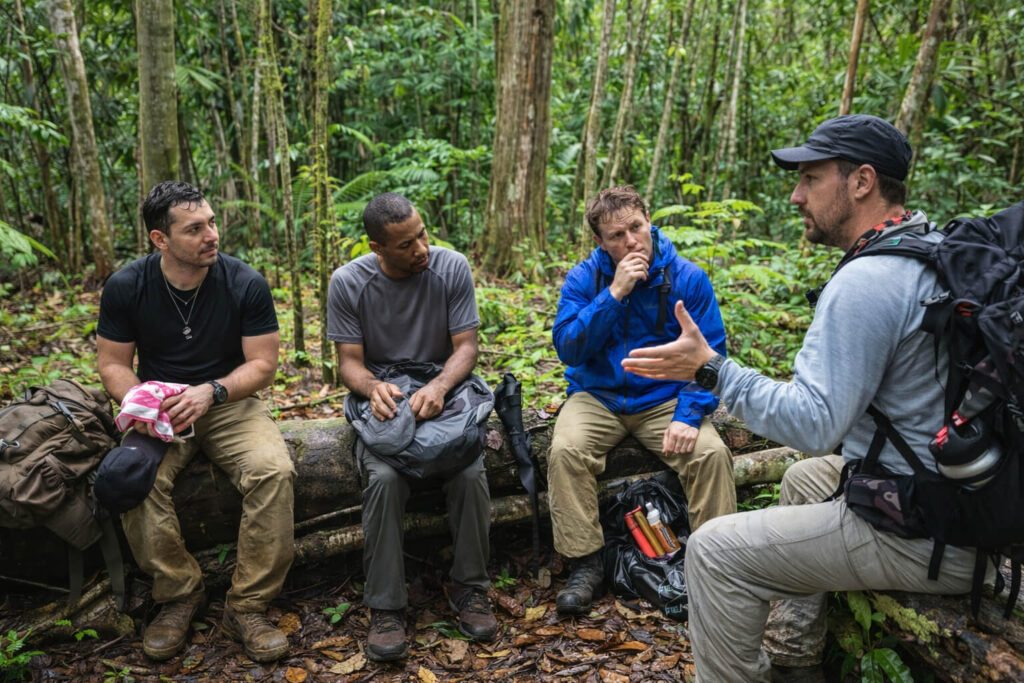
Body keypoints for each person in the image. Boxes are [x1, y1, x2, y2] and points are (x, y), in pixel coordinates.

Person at [622, 114, 992, 682]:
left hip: (929, 531)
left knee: (714, 552)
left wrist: (712, 371)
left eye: (811, 179)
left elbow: (816, 424)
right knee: (804, 479)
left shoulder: (868, 282)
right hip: (965, 494)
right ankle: (796, 662)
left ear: (862, 181)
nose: (796, 196)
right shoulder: (930, 248)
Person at [96, 181, 295, 663]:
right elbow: (112, 364)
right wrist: (141, 400)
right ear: (160, 240)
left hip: (229, 401)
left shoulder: (244, 282)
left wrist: (213, 391)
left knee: (274, 471)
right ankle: (179, 593)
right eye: (195, 228)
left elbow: (264, 366)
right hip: (160, 405)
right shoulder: (127, 285)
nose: (212, 235)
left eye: (211, 222)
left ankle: (247, 606)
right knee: (131, 479)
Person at [548, 185, 735, 616]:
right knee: (565, 450)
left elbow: (712, 356)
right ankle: (587, 563)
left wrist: (689, 415)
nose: (631, 241)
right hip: (599, 396)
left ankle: (718, 562)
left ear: (649, 221)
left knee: (710, 454)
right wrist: (613, 294)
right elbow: (569, 348)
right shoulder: (584, 278)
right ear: (601, 242)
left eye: (636, 227)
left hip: (664, 396)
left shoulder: (687, 277)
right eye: (617, 236)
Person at [328, 192, 496, 662]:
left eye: (422, 234)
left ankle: (470, 589)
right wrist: (372, 388)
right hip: (386, 398)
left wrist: (441, 385)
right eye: (405, 244)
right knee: (382, 478)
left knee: (468, 471)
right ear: (377, 248)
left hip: (441, 389)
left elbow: (465, 348)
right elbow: (349, 363)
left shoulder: (451, 266)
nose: (421, 248)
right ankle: (386, 608)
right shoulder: (348, 282)